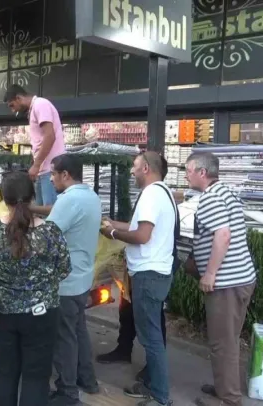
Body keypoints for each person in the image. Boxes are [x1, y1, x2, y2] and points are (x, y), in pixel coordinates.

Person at [0, 171, 70, 406]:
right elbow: (64, 268)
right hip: (42, 314)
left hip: (2, 314)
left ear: (3, 198)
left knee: (5, 372)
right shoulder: (50, 232)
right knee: (36, 377)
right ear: (32, 197)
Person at [100, 151, 177, 406]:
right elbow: (139, 228)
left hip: (148, 274)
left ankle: (160, 396)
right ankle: (152, 385)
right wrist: (113, 223)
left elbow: (142, 236)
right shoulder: (163, 192)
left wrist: (112, 233)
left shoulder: (151, 194)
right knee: (151, 334)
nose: (132, 171)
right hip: (156, 273)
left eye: (135, 167)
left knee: (151, 338)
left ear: (146, 168)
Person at [184, 152, 256, 406]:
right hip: (240, 279)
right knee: (228, 340)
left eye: (189, 170)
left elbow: (223, 235)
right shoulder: (225, 191)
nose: (186, 175)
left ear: (202, 172)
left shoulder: (211, 198)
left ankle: (229, 399)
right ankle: (225, 388)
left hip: (227, 283)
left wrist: (210, 273)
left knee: (222, 343)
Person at [30, 154, 102, 406]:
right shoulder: (91, 196)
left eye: (53, 174)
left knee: (64, 338)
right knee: (78, 331)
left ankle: (67, 390)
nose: (50, 179)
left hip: (65, 282)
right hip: (82, 277)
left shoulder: (68, 200)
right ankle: (87, 379)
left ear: (65, 175)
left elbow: (46, 237)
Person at [3, 84, 66, 205]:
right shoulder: (34, 109)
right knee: (41, 210)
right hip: (44, 170)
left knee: (50, 211)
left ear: (19, 98)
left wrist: (36, 165)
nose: (13, 110)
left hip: (50, 169)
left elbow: (50, 136)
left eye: (12, 105)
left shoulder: (40, 104)